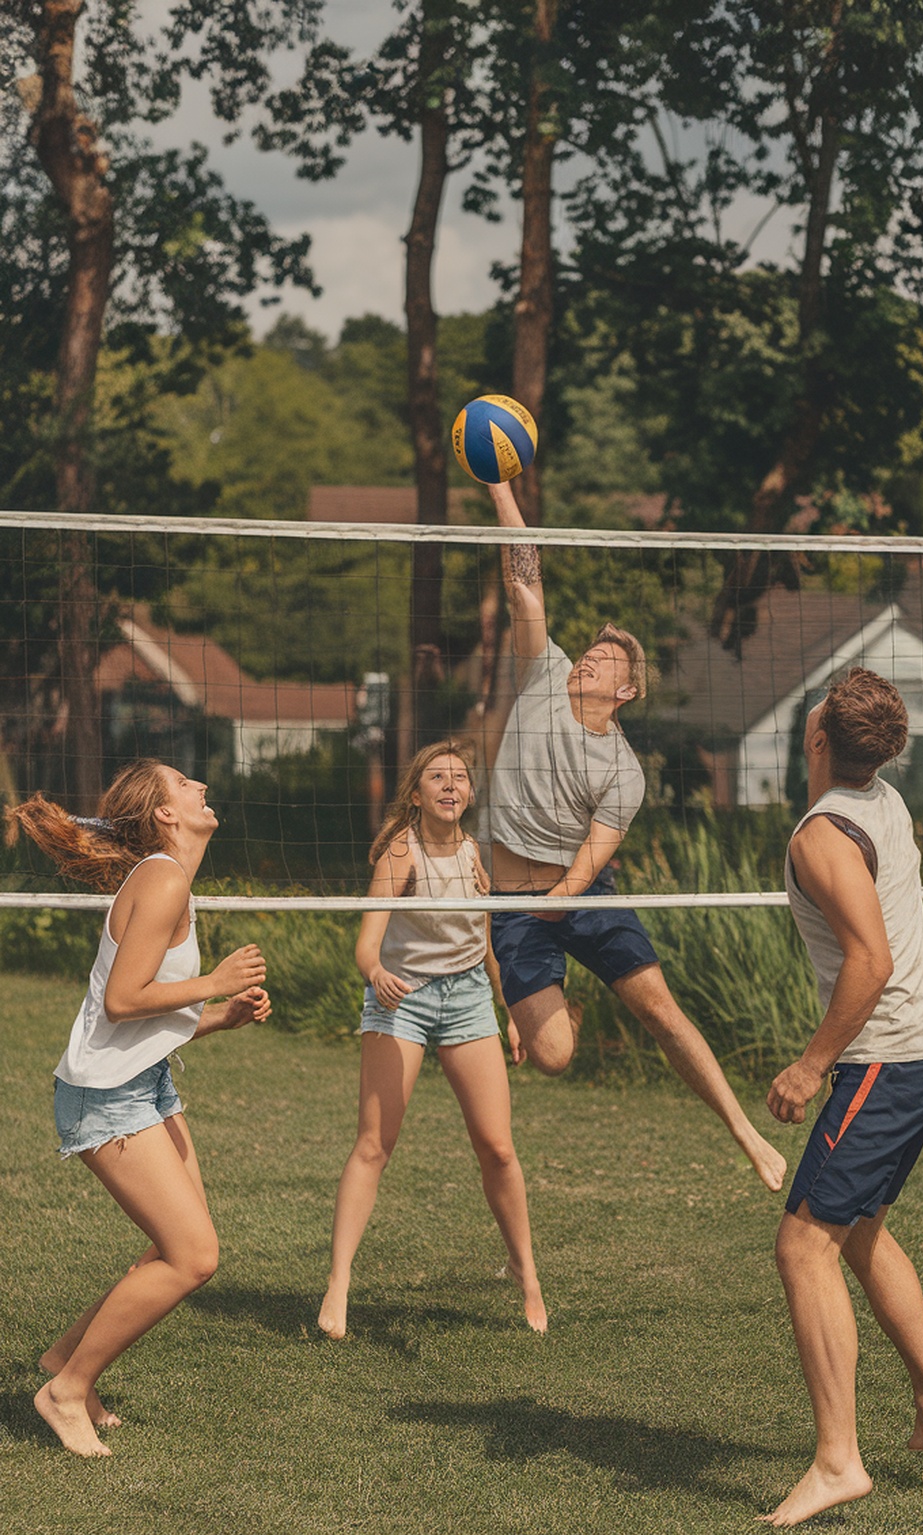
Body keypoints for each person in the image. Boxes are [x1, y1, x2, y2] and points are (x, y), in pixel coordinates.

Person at [484, 479, 787, 1194]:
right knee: (553, 1056)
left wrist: (561, 899)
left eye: (606, 660)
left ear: (626, 691)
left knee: (658, 1008)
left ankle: (745, 1133)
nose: (588, 658)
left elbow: (589, 866)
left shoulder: (624, 771)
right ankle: (565, 1002)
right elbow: (525, 581)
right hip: (511, 896)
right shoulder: (543, 671)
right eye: (590, 650)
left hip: (581, 890)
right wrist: (499, 486)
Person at [7, 761, 271, 1458]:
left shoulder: (167, 877)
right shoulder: (162, 879)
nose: (199, 786)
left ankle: (66, 1363)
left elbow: (136, 1011)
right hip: (106, 1094)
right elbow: (124, 1000)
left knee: (177, 1246)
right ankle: (64, 1395)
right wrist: (215, 980)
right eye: (184, 783)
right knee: (193, 1256)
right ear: (163, 813)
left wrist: (219, 1015)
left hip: (141, 1079)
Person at [763, 668, 923, 1527]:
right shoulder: (877, 797)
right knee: (859, 1230)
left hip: (891, 1061)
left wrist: (811, 1067)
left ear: (817, 738)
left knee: (804, 1244)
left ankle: (839, 1461)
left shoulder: (823, 837)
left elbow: (871, 964)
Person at [318, 741, 547, 1339]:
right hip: (404, 997)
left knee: (497, 1148)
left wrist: (511, 1010)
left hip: (469, 996)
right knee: (374, 1144)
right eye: (437, 777)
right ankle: (338, 1284)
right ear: (415, 793)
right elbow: (366, 946)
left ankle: (527, 1277)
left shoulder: (475, 853)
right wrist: (376, 975)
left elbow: (488, 942)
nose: (451, 785)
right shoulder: (401, 852)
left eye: (460, 778)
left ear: (470, 794)